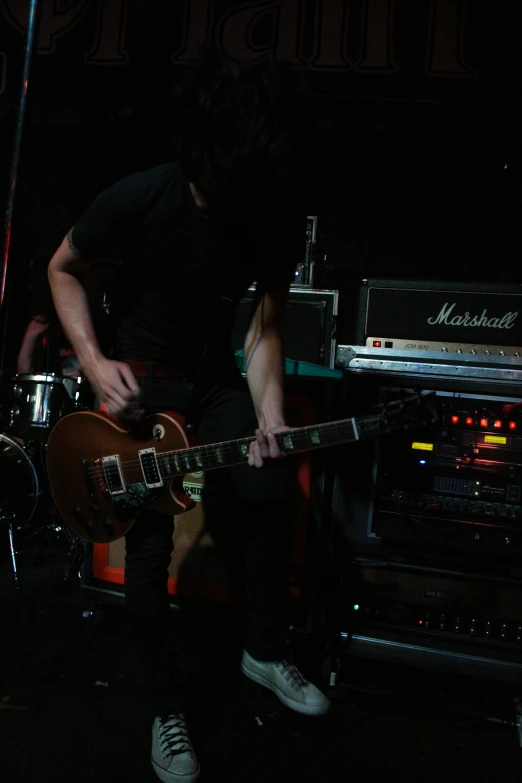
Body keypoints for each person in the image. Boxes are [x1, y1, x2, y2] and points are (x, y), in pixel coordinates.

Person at [47, 61, 329, 783]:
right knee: (147, 545)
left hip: (211, 378)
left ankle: (263, 648)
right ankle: (163, 706)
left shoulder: (270, 210)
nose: (213, 206)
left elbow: (266, 326)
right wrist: (92, 357)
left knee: (269, 493)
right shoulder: (141, 195)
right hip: (140, 379)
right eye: (206, 193)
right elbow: (63, 267)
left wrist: (267, 410)